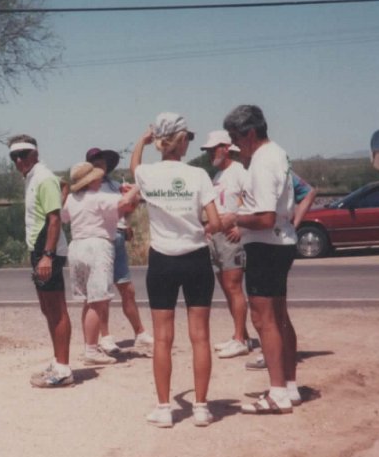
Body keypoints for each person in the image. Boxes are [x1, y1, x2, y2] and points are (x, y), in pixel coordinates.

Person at [130, 112, 221, 427]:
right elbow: (217, 222)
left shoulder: (147, 175)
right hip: (196, 259)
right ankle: (201, 407)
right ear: (180, 140)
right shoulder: (198, 176)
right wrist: (201, 228)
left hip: (163, 261)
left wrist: (141, 142)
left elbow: (135, 168)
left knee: (162, 338)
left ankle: (165, 408)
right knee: (200, 336)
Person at [220, 104, 300, 414]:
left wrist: (233, 219)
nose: (233, 144)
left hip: (267, 245)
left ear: (250, 133)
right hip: (279, 243)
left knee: (264, 320)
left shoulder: (263, 162)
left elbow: (265, 218)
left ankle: (277, 391)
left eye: (235, 137)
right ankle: (288, 386)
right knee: (279, 317)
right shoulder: (274, 154)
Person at [9, 134, 74, 388]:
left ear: (35, 153)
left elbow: (55, 219)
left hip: (47, 250)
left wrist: (47, 255)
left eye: (23, 154)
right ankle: (59, 361)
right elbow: (64, 185)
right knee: (47, 308)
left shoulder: (43, 178)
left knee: (56, 309)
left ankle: (64, 369)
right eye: (14, 156)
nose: (19, 160)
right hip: (38, 249)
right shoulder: (37, 177)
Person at [61, 161, 140, 366]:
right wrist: (137, 187)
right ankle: (91, 350)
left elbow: (65, 217)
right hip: (98, 246)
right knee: (99, 301)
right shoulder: (101, 197)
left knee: (89, 299)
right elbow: (124, 204)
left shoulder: (71, 199)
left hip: (77, 246)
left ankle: (90, 345)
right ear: (92, 179)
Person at [244, 170, 317, 371]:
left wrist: (295, 221)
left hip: (269, 241)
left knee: (270, 312)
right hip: (258, 240)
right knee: (268, 312)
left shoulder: (267, 169)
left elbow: (309, 192)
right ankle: (273, 356)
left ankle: (275, 360)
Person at [85, 147, 154, 353]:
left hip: (118, 237)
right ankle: (105, 336)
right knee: (102, 292)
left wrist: (127, 223)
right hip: (101, 239)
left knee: (127, 288)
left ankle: (140, 333)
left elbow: (126, 209)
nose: (101, 165)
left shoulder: (115, 186)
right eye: (96, 162)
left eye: (103, 161)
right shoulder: (88, 189)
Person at [200, 131, 256, 359]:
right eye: (209, 150)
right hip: (216, 236)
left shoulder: (240, 172)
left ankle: (240, 340)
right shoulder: (218, 176)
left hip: (231, 237)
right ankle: (241, 335)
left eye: (214, 148)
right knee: (226, 287)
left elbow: (253, 200)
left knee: (234, 287)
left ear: (226, 147)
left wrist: (242, 227)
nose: (211, 153)